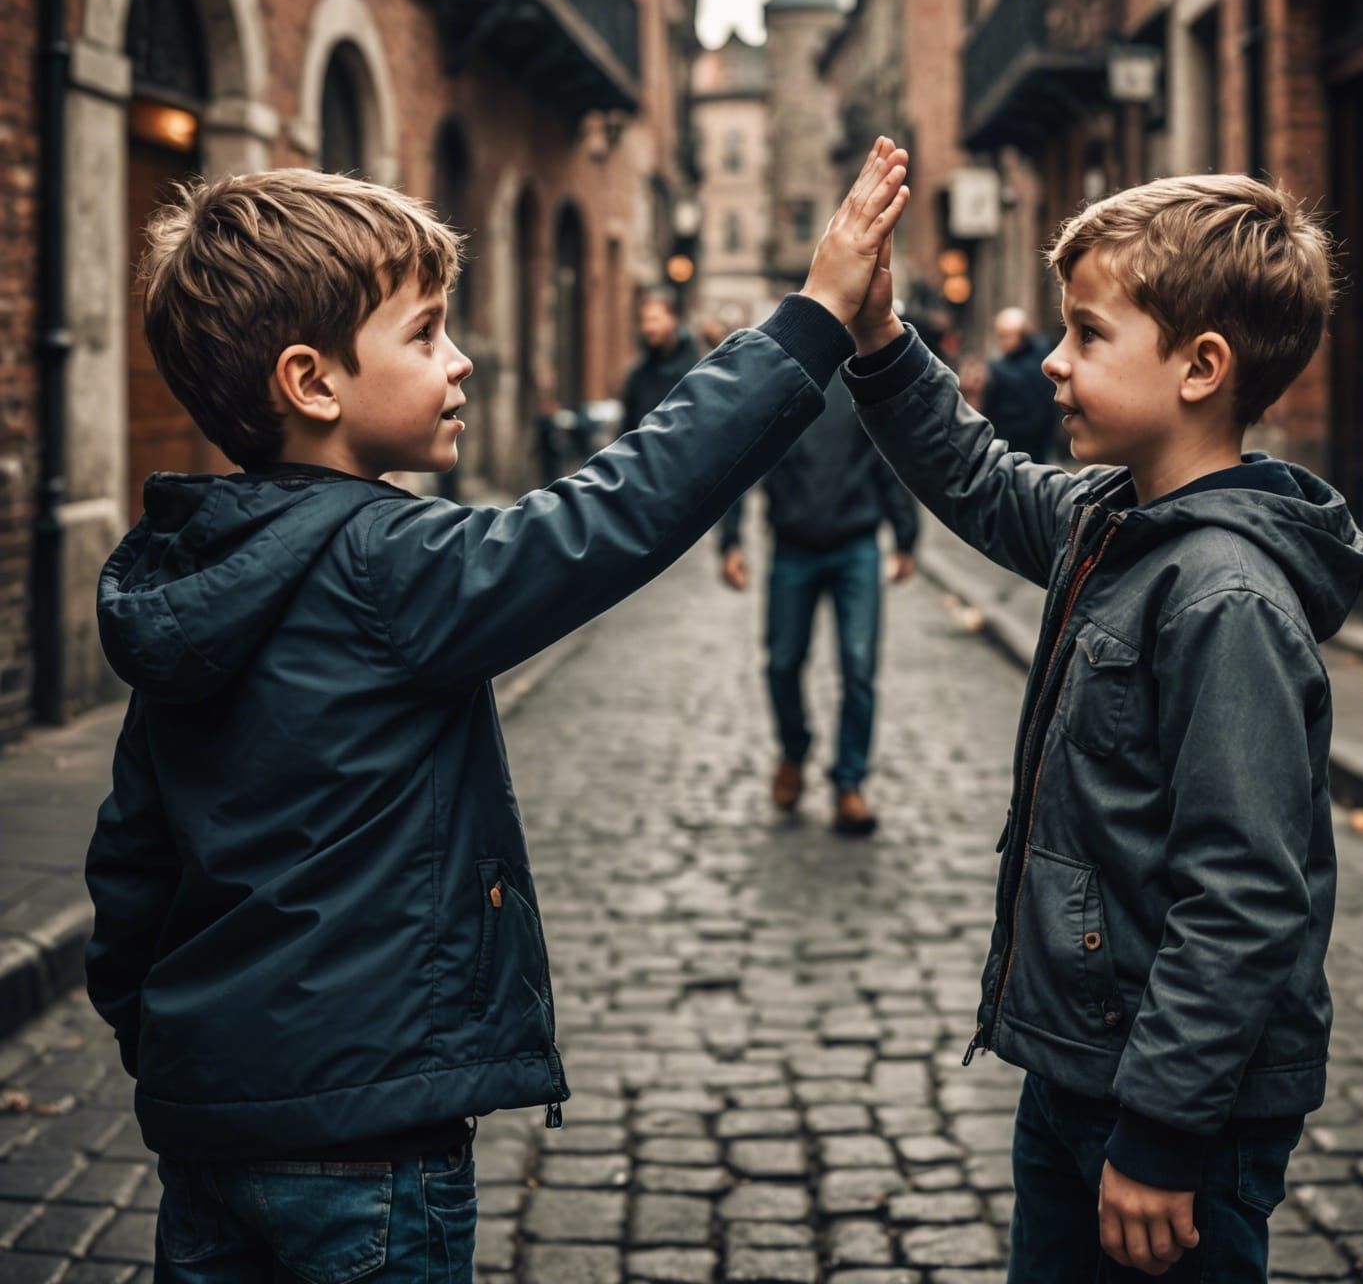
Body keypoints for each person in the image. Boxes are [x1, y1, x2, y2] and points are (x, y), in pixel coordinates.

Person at [84, 143, 911, 1280]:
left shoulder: (195, 577)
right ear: (312, 383)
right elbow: (619, 509)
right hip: (371, 1147)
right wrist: (814, 317)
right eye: (425, 334)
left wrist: (169, 1048)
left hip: (209, 1134)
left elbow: (130, 867)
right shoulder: (387, 564)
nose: (462, 360)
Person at [841, 173, 1363, 1282]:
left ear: (1200, 367)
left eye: (1088, 334)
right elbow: (980, 481)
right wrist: (881, 338)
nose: (1052, 360)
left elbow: (1242, 895)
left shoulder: (1226, 601)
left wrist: (1164, 1134)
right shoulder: (1111, 522)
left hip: (1174, 1116)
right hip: (1085, 1067)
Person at [717, 365, 919, 836]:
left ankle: (849, 783)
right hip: (793, 546)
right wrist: (730, 541)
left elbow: (889, 457)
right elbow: (744, 458)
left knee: (859, 665)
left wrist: (906, 537)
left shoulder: (861, 377)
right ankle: (794, 749)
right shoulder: (783, 376)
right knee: (782, 663)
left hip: (856, 545)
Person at [982, 306, 1058, 462]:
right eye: (1000, 336)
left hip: (1033, 440)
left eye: (1007, 336)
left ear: (1022, 335)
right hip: (1009, 441)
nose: (1003, 342)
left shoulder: (1040, 359)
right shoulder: (1003, 364)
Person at [621, 289, 700, 433]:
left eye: (655, 320)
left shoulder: (695, 369)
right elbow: (627, 427)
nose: (649, 327)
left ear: (673, 319)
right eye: (645, 320)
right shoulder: (637, 375)